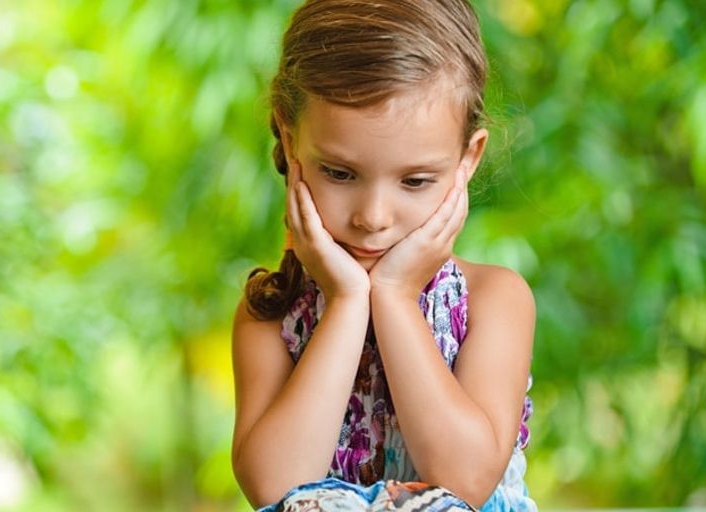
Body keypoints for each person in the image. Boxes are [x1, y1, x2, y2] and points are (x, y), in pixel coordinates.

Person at [230, 1, 537, 511]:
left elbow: (465, 484)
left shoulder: (494, 300)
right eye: (340, 173)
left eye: (415, 181)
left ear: (468, 160)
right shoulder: (271, 315)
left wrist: (394, 296)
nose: (373, 216)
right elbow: (274, 490)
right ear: (291, 141)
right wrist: (348, 301)